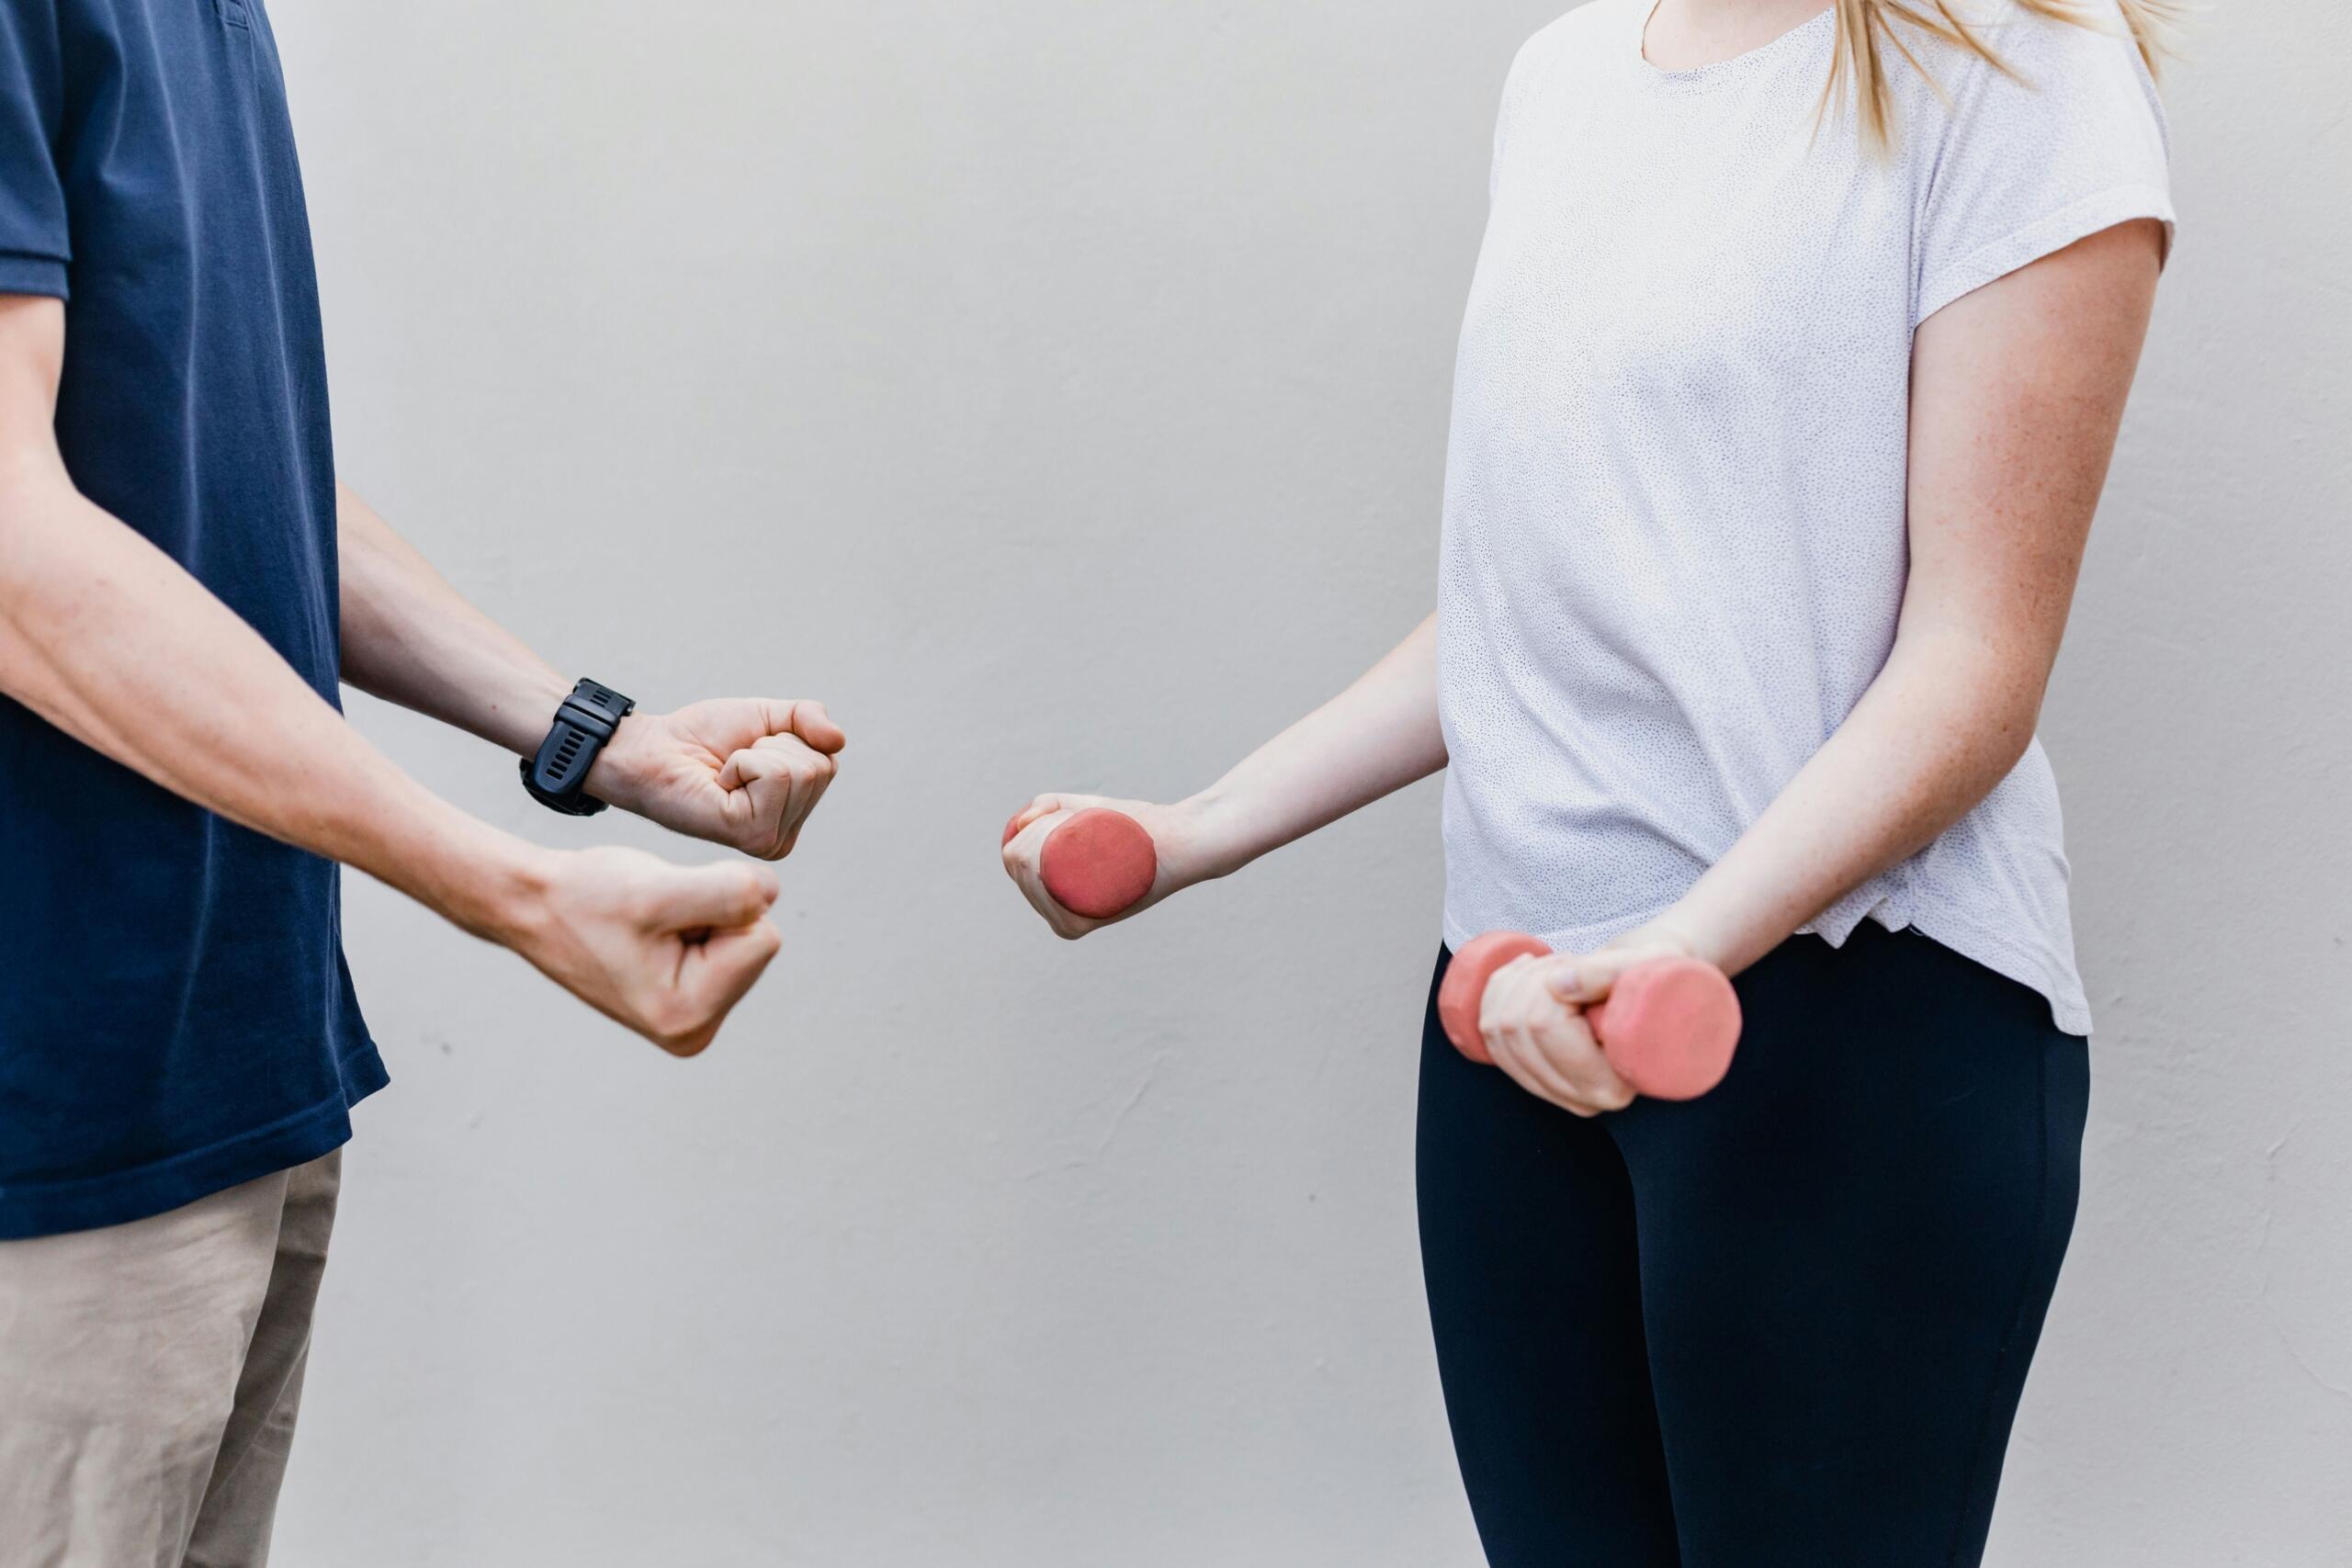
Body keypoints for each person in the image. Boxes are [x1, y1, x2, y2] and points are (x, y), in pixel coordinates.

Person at [1003, 0, 2174, 1560]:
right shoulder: (1563, 76)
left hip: (1848, 1015)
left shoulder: (2027, 76)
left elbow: (1975, 661)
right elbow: (1537, 595)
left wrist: (1684, 943)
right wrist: (1193, 831)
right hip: (1512, 1018)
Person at [0, 0, 842, 1560]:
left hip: (234, 1071)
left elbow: (212, 449)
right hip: (52, 1129)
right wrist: (508, 891)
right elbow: (12, 551)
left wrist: (589, 736)